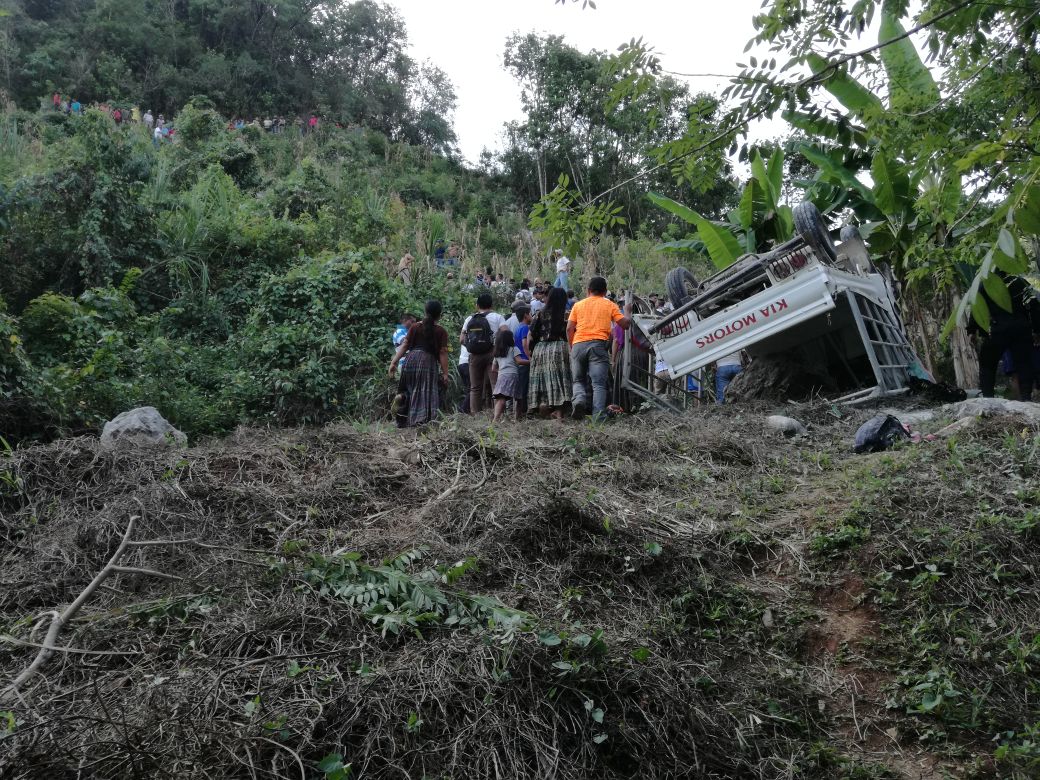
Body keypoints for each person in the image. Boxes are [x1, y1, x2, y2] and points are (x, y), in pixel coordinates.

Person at [567, 275, 632, 420]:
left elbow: (569, 328)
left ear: (588, 290)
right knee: (599, 385)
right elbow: (625, 324)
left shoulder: (578, 305)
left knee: (578, 380)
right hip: (598, 345)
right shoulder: (609, 304)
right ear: (605, 291)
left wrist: (572, 347)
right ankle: (598, 418)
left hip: (578, 344)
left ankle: (578, 400)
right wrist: (627, 311)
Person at [973, 273, 1040, 400]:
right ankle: (1026, 396)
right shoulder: (1019, 281)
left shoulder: (985, 284)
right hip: (1021, 328)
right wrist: (1037, 330)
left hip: (998, 328)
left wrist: (975, 331)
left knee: (987, 364)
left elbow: (977, 308)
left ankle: (988, 397)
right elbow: (1034, 306)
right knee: (1024, 363)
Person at [389, 300, 450, 427]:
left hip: (410, 359)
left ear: (425, 312)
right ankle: (421, 421)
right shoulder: (441, 331)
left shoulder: (415, 327)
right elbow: (443, 353)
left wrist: (393, 362)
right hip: (427, 363)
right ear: (439, 315)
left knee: (410, 388)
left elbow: (405, 345)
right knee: (425, 392)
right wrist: (445, 373)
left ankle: (402, 400)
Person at [527, 287, 572, 419]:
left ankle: (543, 409)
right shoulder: (566, 314)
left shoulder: (540, 313)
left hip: (541, 349)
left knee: (544, 380)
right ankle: (559, 412)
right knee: (559, 379)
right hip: (559, 347)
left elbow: (531, 334)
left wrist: (531, 352)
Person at [461, 292, 505, 414]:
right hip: (492, 353)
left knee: (475, 387)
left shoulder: (470, 319)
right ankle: (497, 414)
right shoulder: (497, 317)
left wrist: (472, 347)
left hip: (474, 355)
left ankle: (475, 414)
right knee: (495, 385)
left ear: (477, 305)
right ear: (491, 304)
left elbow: (461, 339)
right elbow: (506, 333)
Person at [491, 329, 528, 422]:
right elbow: (519, 361)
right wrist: (532, 361)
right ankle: (517, 418)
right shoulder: (514, 349)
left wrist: (502, 371)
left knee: (501, 398)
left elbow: (493, 369)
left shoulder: (497, 353)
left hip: (501, 376)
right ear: (509, 339)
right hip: (513, 375)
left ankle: (496, 418)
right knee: (518, 398)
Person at [513, 306, 533, 418]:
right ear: (525, 315)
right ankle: (524, 412)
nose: (531, 316)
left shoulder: (517, 328)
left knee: (522, 388)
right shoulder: (525, 328)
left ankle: (520, 412)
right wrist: (530, 358)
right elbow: (525, 343)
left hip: (520, 362)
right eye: (530, 314)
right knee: (525, 389)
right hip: (525, 362)